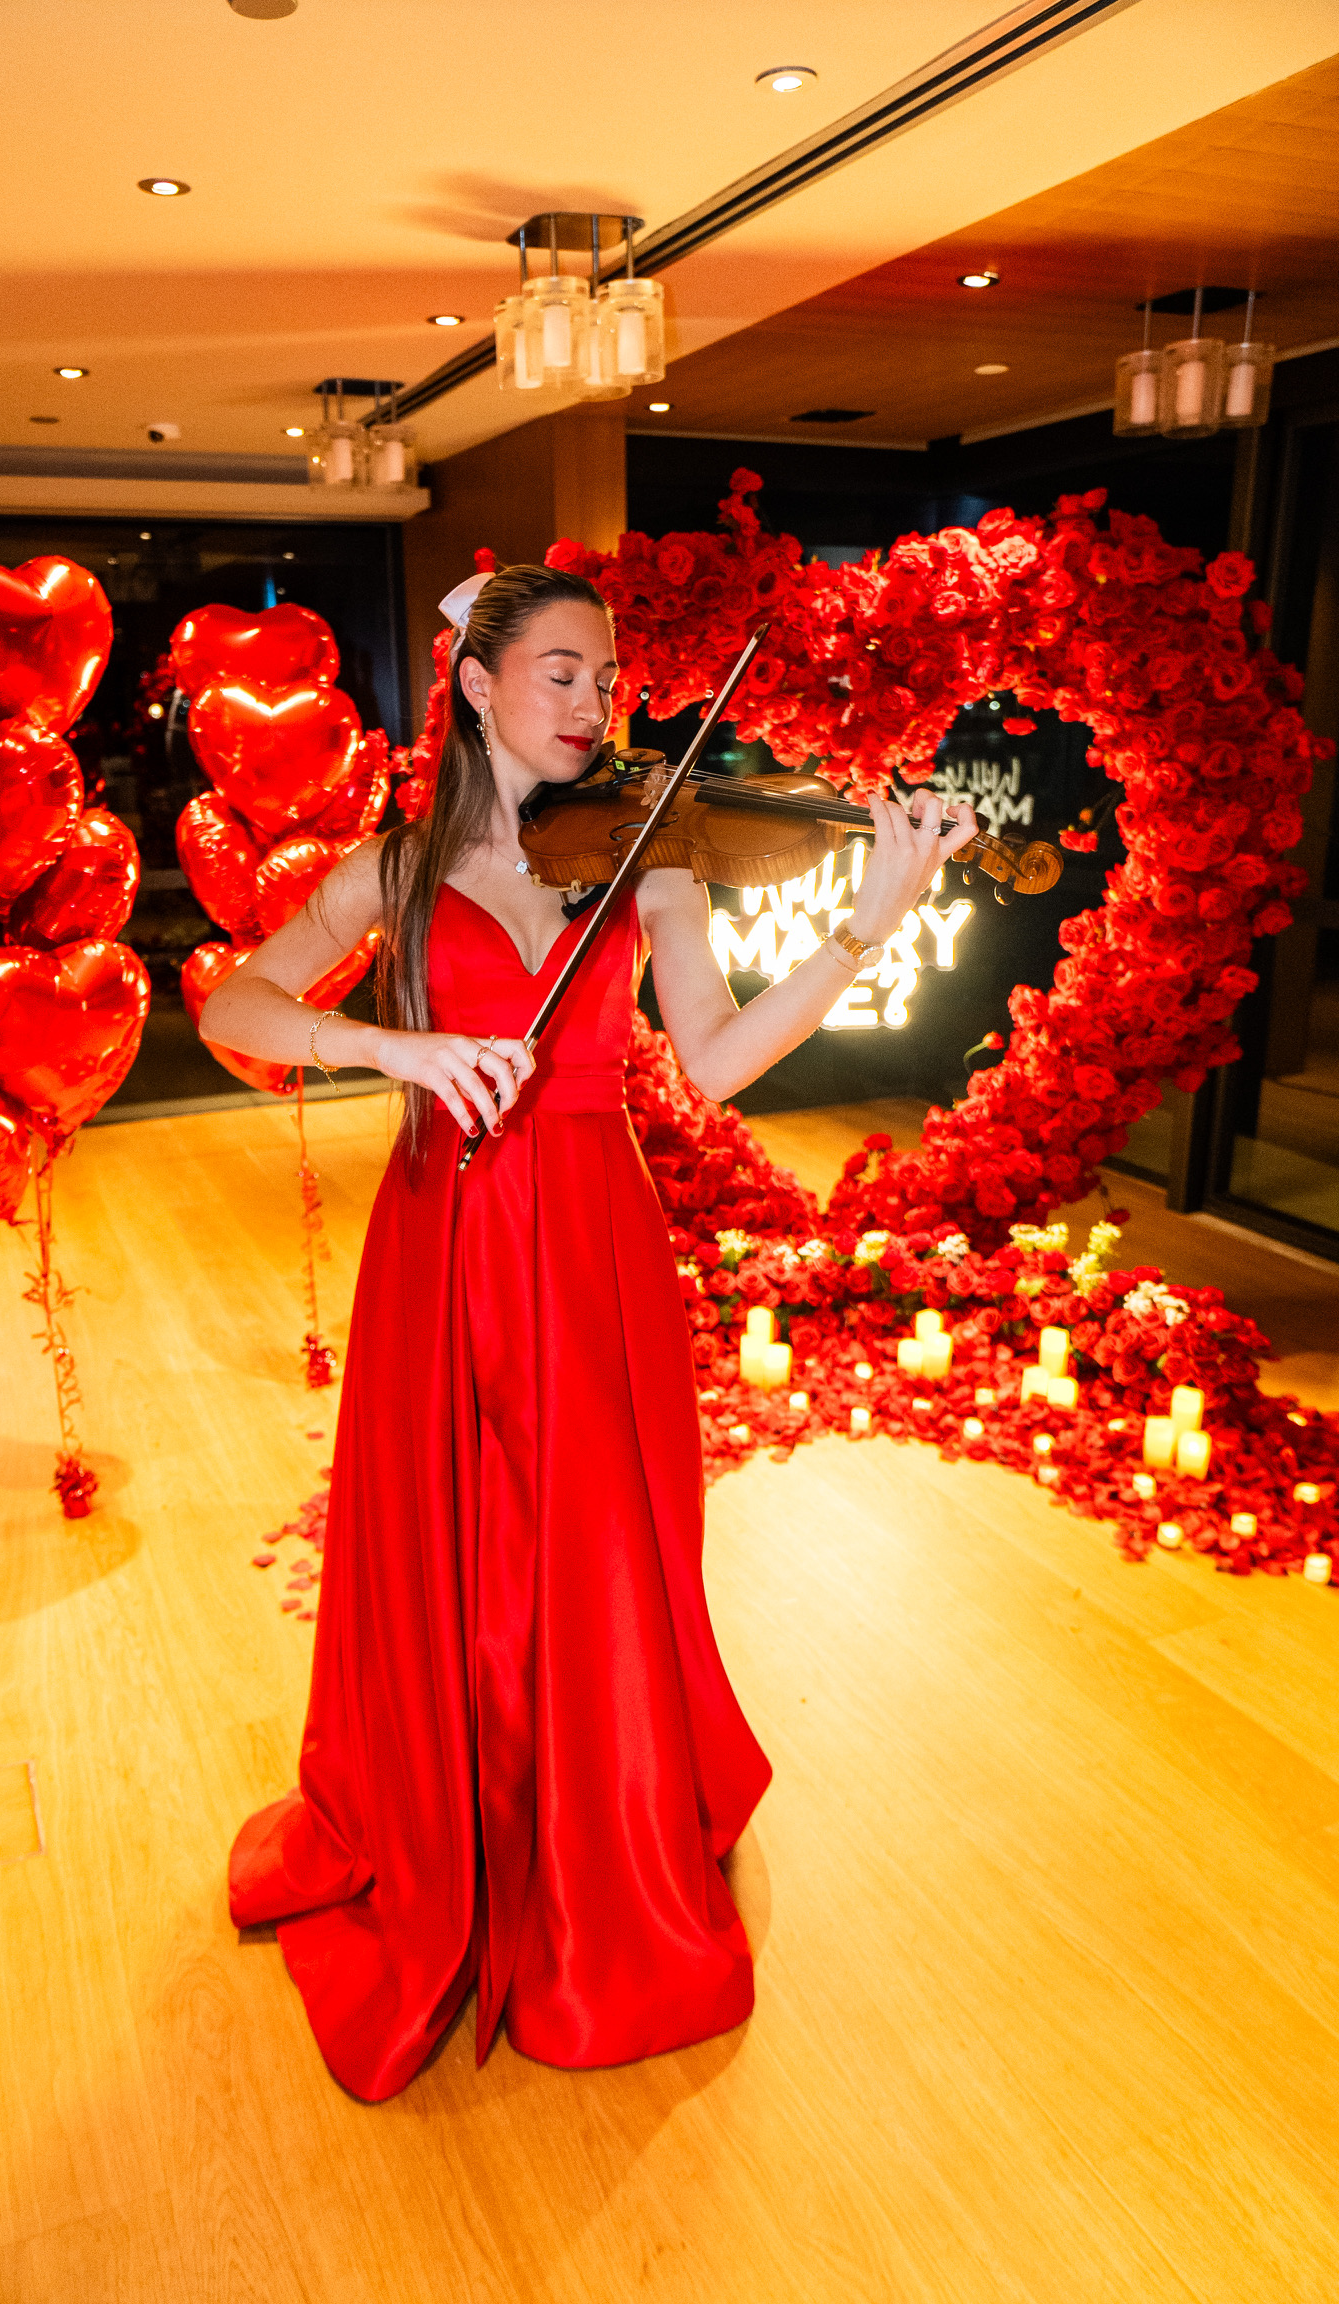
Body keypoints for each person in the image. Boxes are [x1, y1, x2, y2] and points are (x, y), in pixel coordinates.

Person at [206, 562, 977, 2103]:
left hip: (594, 1237)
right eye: (560, 672)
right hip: (441, 1236)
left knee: (603, 1547)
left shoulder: (650, 854)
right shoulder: (396, 867)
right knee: (456, 1545)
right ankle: (454, 1826)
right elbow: (239, 1004)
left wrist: (870, 924)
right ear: (477, 685)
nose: (593, 703)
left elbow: (720, 1055)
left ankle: (597, 1848)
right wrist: (390, 1043)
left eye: (606, 677)